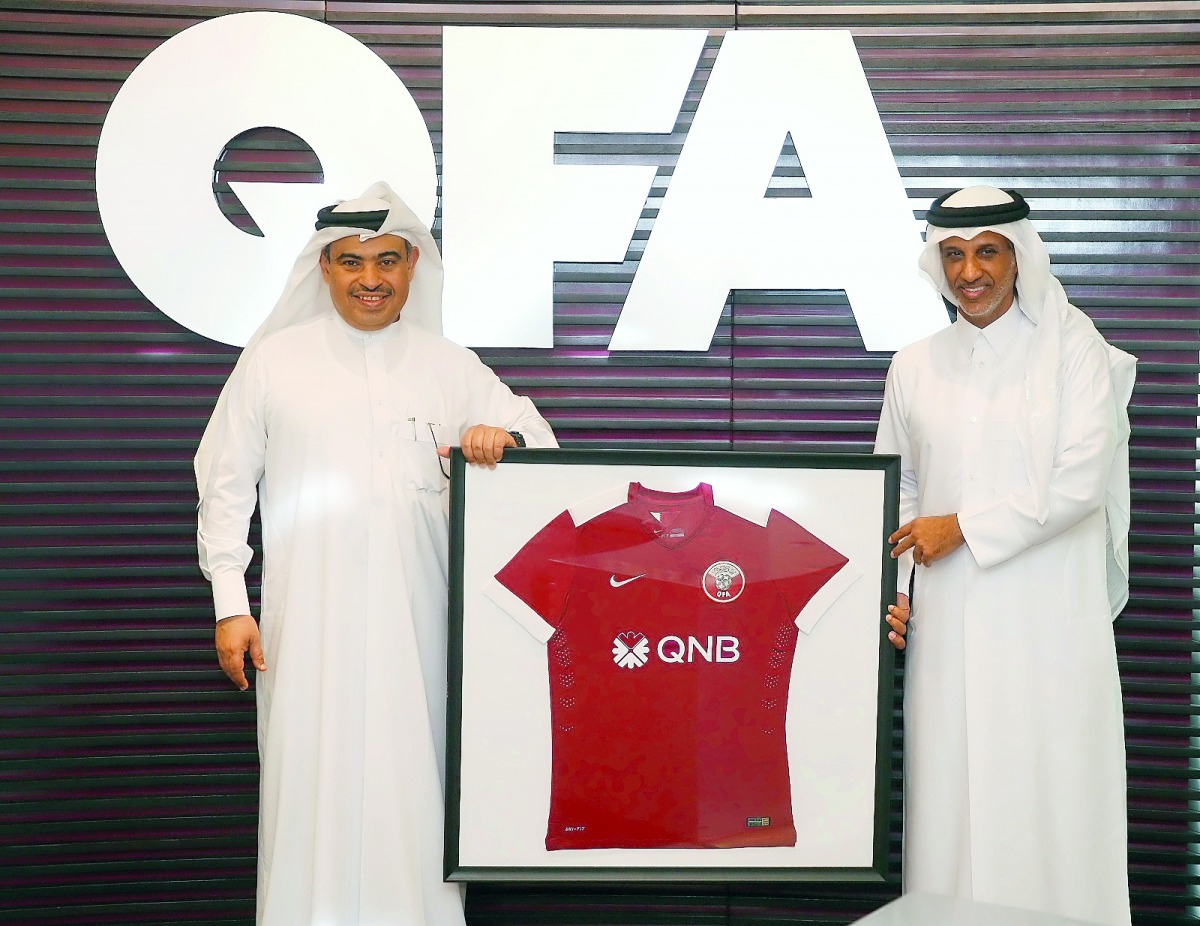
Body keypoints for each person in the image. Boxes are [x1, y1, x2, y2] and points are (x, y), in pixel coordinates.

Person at [194, 182, 557, 926]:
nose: (371, 278)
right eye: (353, 261)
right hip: (305, 630)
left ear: (412, 268)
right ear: (324, 267)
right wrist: (232, 606)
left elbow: (540, 443)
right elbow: (224, 485)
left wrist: (502, 443)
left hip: (415, 628)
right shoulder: (274, 364)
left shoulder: (449, 366)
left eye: (388, 261)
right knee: (308, 790)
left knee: (411, 794)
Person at [875, 186, 1134, 925]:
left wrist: (961, 527)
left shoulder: (1072, 346)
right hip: (947, 625)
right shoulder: (915, 364)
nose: (970, 272)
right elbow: (901, 491)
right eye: (952, 255)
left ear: (1018, 257)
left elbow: (1081, 481)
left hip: (1049, 621)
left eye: (987, 251)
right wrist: (898, 596)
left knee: (1049, 795)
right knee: (951, 803)